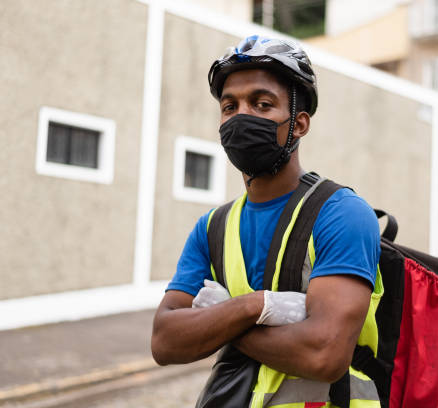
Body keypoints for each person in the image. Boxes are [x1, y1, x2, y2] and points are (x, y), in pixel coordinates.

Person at [151, 35, 382, 407]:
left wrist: (216, 322)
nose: (241, 116)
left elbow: (324, 354)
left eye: (261, 104)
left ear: (299, 124)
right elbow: (164, 341)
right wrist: (254, 306)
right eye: (230, 107)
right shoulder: (212, 227)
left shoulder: (342, 213)